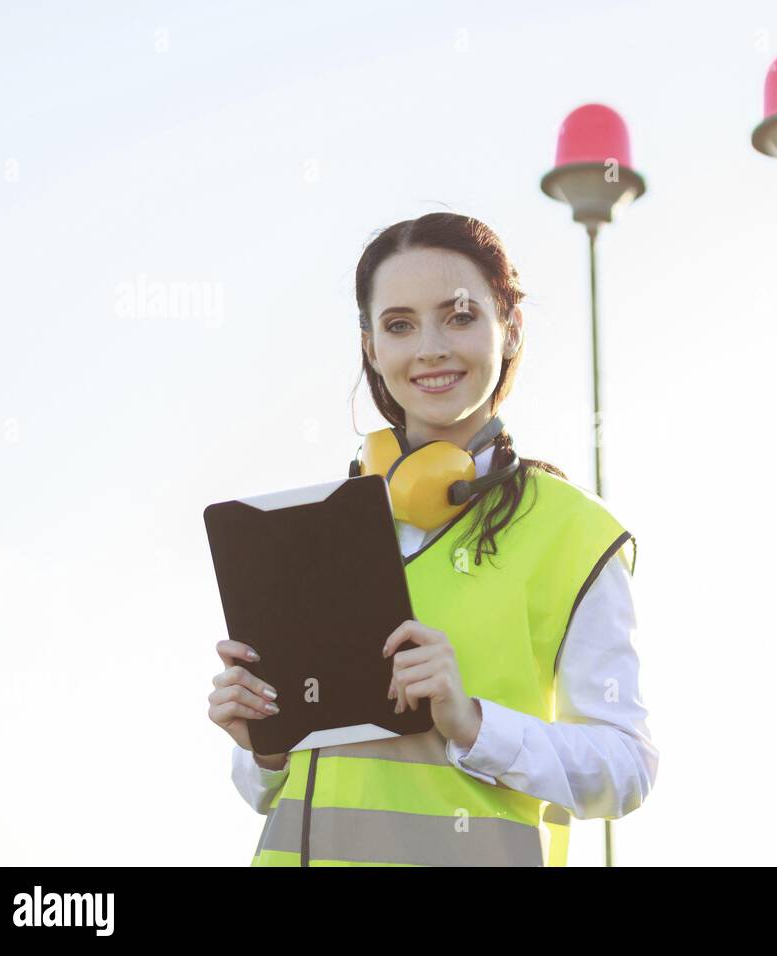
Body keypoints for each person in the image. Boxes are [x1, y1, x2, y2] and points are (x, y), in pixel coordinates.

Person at [207, 212, 657, 866]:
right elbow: (266, 792)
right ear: (371, 347)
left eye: (460, 315)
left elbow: (627, 768)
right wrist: (263, 742)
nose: (430, 348)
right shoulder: (315, 532)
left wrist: (473, 723)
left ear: (510, 329)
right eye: (399, 325)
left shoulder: (572, 533)